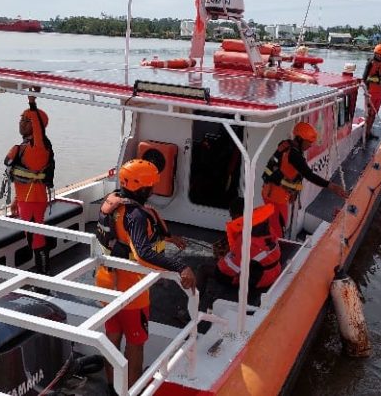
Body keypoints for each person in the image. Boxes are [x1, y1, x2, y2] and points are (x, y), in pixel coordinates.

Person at [95, 159, 196, 389]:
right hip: (131, 288)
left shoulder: (113, 203)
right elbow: (143, 254)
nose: (152, 190)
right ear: (143, 188)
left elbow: (122, 237)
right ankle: (133, 390)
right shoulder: (136, 215)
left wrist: (167, 237)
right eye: (151, 186)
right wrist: (180, 266)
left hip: (106, 281)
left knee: (112, 337)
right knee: (135, 343)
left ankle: (112, 389)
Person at [261, 122, 348, 240]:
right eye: (309, 142)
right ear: (299, 139)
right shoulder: (295, 155)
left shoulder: (286, 145)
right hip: (276, 197)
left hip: (271, 191)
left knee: (275, 225)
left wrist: (292, 191)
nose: (310, 145)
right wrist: (331, 186)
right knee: (278, 230)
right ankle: (274, 254)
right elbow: (309, 175)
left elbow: (285, 170)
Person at [4, 88, 55, 276]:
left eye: (26, 120)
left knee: (36, 239)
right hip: (26, 199)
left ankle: (42, 281)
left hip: (34, 199)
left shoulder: (39, 147)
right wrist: (17, 199)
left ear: (35, 125)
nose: (21, 123)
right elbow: (21, 177)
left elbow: (38, 127)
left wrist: (32, 103)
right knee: (32, 237)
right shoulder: (25, 147)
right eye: (21, 119)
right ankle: (40, 276)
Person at [216, 198, 282, 291]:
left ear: (238, 215)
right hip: (275, 271)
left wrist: (221, 258)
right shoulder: (266, 227)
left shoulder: (245, 239)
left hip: (261, 279)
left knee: (206, 270)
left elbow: (229, 269)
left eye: (232, 216)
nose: (232, 219)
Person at [362, 43, 381, 137]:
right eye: (379, 54)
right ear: (375, 53)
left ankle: (368, 132)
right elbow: (364, 78)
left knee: (374, 114)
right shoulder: (370, 62)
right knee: (369, 113)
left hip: (380, 92)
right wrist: (366, 92)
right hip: (371, 92)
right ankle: (364, 132)